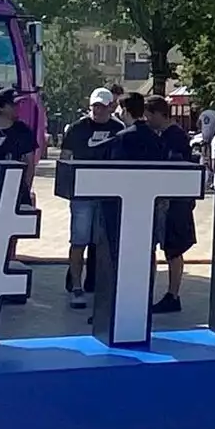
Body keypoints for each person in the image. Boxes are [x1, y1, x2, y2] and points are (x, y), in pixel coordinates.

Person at [58, 88, 125, 309]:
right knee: (79, 240)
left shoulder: (118, 129)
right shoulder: (77, 128)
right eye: (94, 106)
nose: (97, 110)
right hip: (82, 194)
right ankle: (76, 286)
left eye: (102, 106)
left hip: (107, 194)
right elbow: (65, 157)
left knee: (103, 240)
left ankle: (100, 284)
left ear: (110, 107)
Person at [142, 95, 198, 313]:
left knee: (173, 249)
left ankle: (172, 294)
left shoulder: (173, 137)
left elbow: (173, 167)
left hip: (174, 201)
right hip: (172, 199)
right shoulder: (170, 135)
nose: (147, 120)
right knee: (169, 248)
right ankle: (168, 294)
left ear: (157, 114)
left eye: (149, 115)